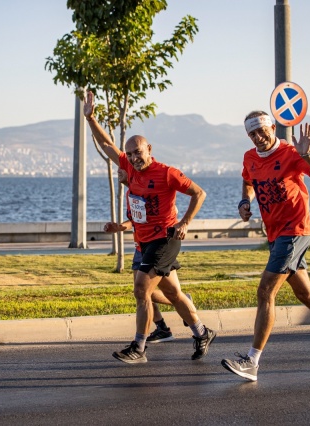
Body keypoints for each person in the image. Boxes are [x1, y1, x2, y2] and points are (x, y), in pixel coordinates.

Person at [221, 111, 310, 382]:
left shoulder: (290, 153)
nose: (258, 137)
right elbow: (248, 180)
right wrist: (245, 201)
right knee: (306, 295)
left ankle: (252, 361)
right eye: (252, 134)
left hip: (295, 231)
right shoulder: (250, 157)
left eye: (262, 130)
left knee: (265, 291)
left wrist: (306, 154)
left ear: (272, 127)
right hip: (276, 234)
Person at [84, 90, 215, 364]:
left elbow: (199, 193)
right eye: (129, 154)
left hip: (166, 238)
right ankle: (201, 332)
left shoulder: (167, 173)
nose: (133, 157)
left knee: (141, 288)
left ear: (149, 150)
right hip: (144, 241)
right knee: (173, 293)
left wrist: (185, 222)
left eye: (138, 152)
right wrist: (91, 118)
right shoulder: (130, 170)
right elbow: (107, 144)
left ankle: (139, 348)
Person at [103, 169, 195, 344]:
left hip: (157, 248)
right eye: (119, 172)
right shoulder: (133, 194)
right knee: (143, 292)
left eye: (123, 172)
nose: (120, 174)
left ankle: (183, 310)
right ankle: (162, 327)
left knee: (145, 292)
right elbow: (135, 221)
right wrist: (119, 227)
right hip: (140, 248)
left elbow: (163, 216)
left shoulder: (155, 193)